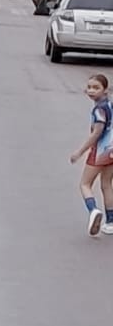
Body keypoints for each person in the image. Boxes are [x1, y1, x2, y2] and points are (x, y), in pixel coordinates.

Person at [71, 74, 113, 237]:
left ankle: (93, 210)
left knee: (85, 184)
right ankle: (110, 221)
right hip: (111, 150)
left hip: (100, 151)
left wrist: (80, 152)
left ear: (105, 89)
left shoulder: (99, 110)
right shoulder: (110, 105)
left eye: (96, 88)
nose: (91, 91)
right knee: (107, 184)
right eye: (89, 87)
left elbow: (96, 133)